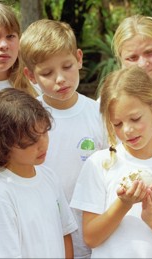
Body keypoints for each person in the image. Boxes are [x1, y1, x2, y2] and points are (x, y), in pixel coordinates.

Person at [70, 66, 152, 258]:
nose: (127, 130)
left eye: (135, 119)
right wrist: (123, 204)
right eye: (117, 124)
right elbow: (91, 237)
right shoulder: (99, 164)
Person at [19, 19, 107, 258]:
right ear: (30, 75)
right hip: (44, 240)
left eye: (66, 66)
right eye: (47, 72)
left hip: (93, 240)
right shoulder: (25, 120)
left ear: (79, 58)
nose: (60, 79)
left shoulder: (100, 115)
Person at [0, 88, 77, 258]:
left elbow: (65, 232)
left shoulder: (49, 176)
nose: (42, 144)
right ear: (3, 143)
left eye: (44, 133)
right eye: (29, 141)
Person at [111, 14, 152, 99]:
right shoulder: (108, 105)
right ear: (120, 58)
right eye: (132, 58)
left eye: (150, 52)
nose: (142, 64)